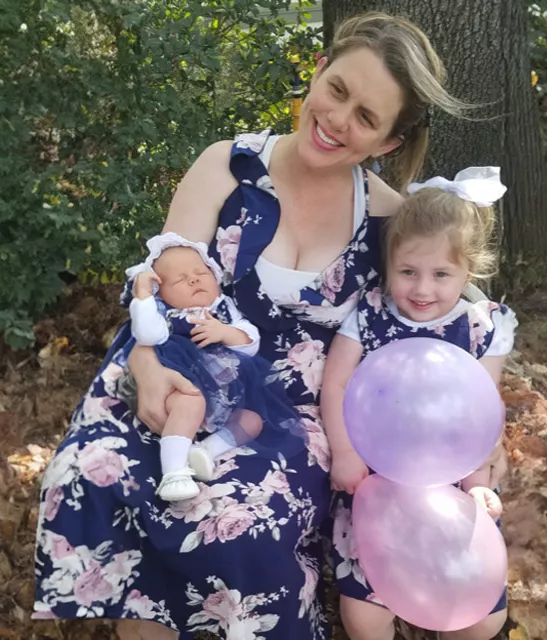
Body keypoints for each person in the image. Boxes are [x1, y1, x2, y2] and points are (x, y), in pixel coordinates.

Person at [33, 12, 507, 640]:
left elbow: (461, 308)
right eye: (338, 90)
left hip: (291, 409)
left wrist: (478, 435)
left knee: (237, 511)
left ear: (387, 144)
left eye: (367, 117)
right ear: (316, 73)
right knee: (95, 469)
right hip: (176, 366)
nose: (339, 119)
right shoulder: (226, 168)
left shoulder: (391, 217)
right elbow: (162, 280)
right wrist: (146, 367)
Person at [322, 167, 517, 640]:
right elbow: (336, 384)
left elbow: (480, 417)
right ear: (388, 265)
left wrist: (477, 484)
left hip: (450, 484)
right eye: (407, 272)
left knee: (480, 621)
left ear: (468, 271)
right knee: (364, 620)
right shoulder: (368, 315)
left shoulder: (481, 326)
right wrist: (345, 453)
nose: (422, 289)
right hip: (377, 484)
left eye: (441, 274)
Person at [124, 232, 306, 501]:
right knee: (191, 402)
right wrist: (143, 297)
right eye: (180, 280)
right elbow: (147, 335)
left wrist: (225, 332)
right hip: (184, 389)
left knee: (252, 421)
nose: (194, 279)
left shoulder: (225, 310)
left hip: (226, 398)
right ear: (160, 293)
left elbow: (250, 341)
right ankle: (173, 474)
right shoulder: (166, 315)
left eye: (201, 272)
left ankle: (204, 451)